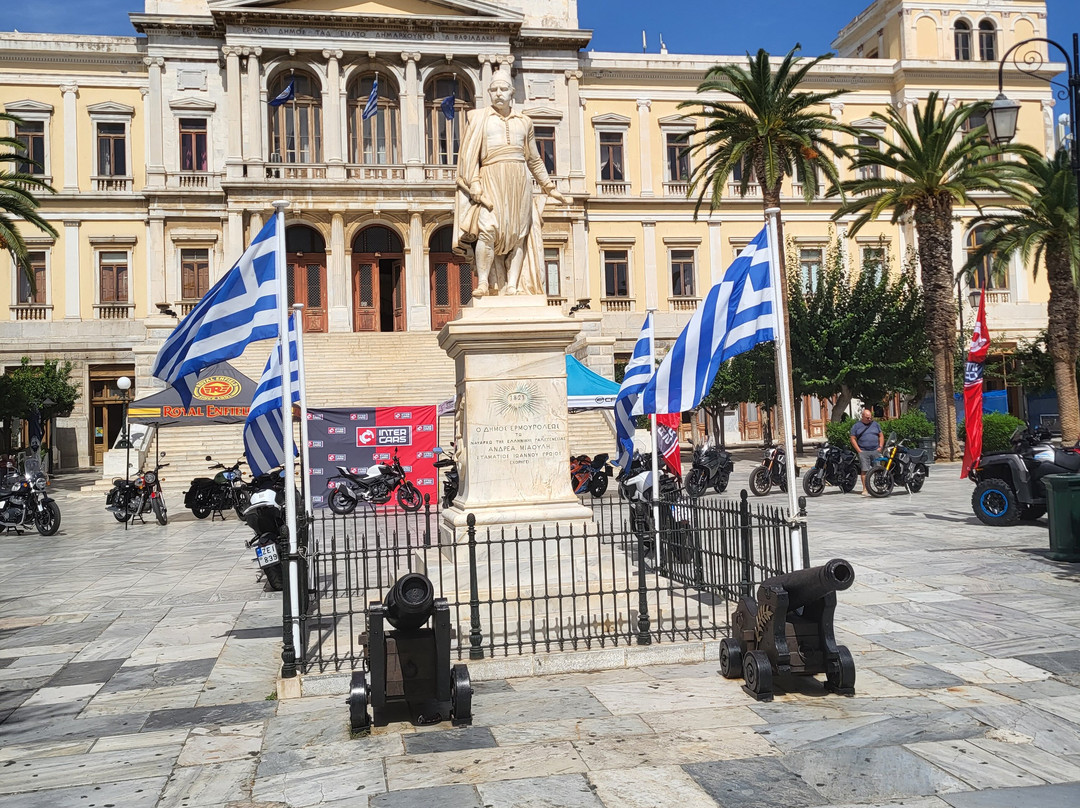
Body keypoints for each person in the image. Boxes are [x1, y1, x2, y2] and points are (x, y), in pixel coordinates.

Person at [452, 68, 567, 296]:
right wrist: (475, 184)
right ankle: (484, 282)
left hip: (519, 182)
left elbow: (534, 159)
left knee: (518, 235)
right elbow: (468, 156)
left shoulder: (525, 122)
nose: (498, 93)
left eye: (503, 89)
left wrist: (549, 187)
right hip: (491, 178)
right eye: (494, 89)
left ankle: (513, 285)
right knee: (487, 229)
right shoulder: (478, 119)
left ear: (512, 92)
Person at [850, 407, 884, 497]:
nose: (869, 419)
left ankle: (879, 486)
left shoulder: (875, 424)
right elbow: (853, 438)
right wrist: (859, 450)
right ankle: (865, 488)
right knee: (864, 470)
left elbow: (881, 435)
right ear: (862, 416)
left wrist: (880, 446)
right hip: (863, 451)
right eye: (867, 417)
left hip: (875, 450)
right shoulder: (857, 426)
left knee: (878, 469)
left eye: (870, 417)